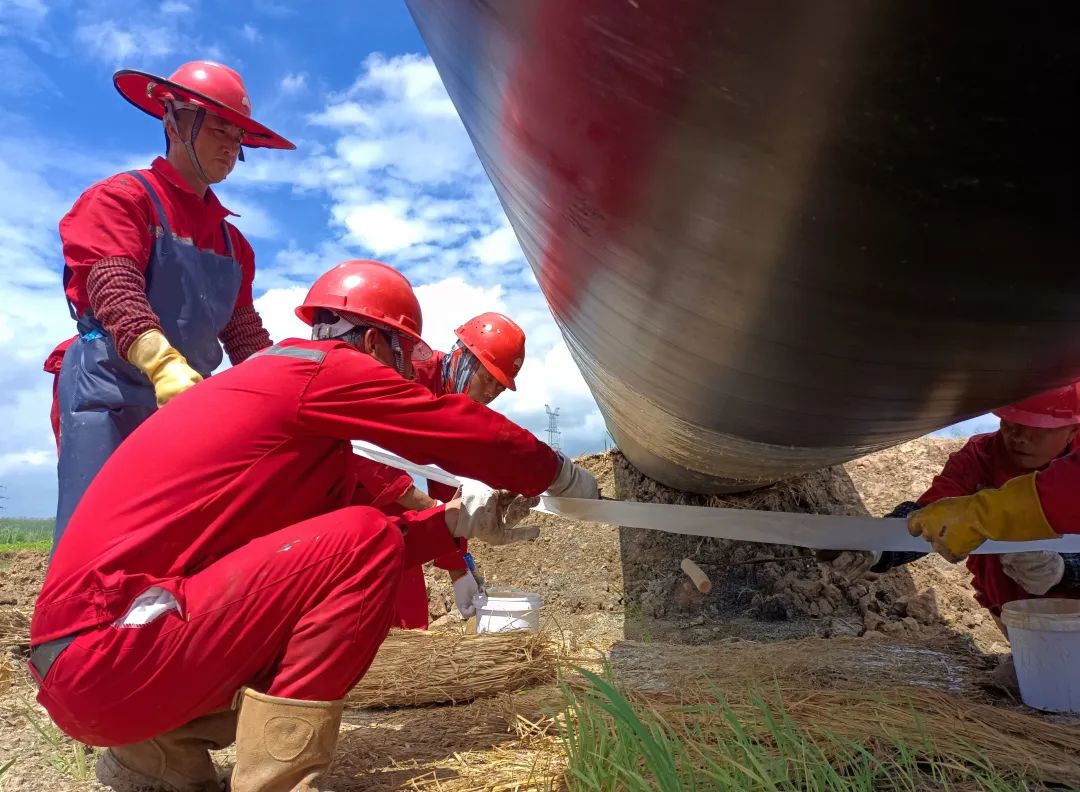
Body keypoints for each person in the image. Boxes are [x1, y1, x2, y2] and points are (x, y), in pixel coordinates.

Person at [29, 259, 598, 792]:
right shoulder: (320, 371)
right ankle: (276, 781)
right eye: (399, 362)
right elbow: (451, 433)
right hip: (110, 655)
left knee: (360, 541)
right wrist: (556, 472)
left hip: (98, 657)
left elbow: (326, 564)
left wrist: (450, 525)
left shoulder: (281, 417)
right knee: (365, 537)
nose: (401, 379)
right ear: (375, 342)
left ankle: (158, 756)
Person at [51, 60, 294, 550]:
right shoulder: (123, 199)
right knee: (96, 540)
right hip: (109, 393)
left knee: (173, 544)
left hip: (184, 401)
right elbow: (115, 287)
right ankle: (73, 630)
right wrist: (163, 364)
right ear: (173, 120)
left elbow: (245, 335)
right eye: (219, 127)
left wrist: (286, 389)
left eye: (238, 135)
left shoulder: (234, 245)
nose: (231, 144)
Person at [826, 385, 1080, 628]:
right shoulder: (980, 458)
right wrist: (879, 546)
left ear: (1073, 429)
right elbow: (930, 514)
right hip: (1010, 612)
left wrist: (1066, 569)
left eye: (1037, 428)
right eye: (1010, 423)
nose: (1020, 438)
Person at [344, 312, 537, 628]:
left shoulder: (458, 409)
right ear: (462, 357)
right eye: (486, 378)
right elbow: (364, 447)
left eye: (499, 387)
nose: (490, 393)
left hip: (393, 502)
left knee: (410, 619)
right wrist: (435, 510)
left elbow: (447, 485)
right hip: (349, 491)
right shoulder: (408, 371)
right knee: (360, 611)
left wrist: (458, 567)